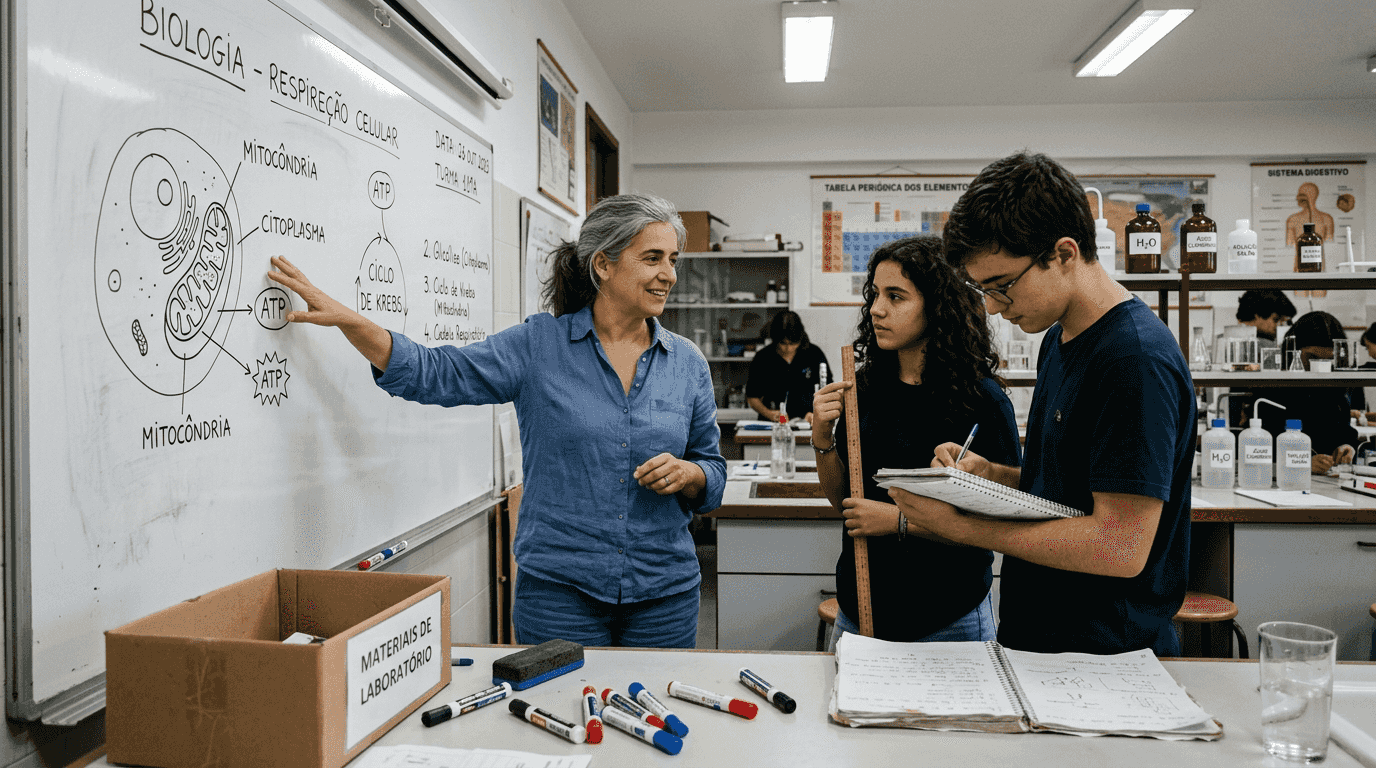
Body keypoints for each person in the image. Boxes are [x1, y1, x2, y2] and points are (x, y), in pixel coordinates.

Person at [266, 193, 725, 648]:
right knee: (561, 696)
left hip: (664, 595)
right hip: (560, 597)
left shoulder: (686, 364)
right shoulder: (538, 346)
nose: (669, 274)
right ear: (603, 264)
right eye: (652, 258)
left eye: (673, 260)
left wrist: (691, 474)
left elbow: (713, 471)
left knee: (658, 700)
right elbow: (436, 373)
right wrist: (351, 321)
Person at [892, 152, 1196, 657]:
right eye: (982, 290)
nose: (992, 307)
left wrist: (960, 527)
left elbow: (1119, 545)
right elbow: (1067, 488)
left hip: (1105, 653)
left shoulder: (1134, 359)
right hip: (1043, 637)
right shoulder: (1059, 337)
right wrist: (990, 475)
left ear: (1063, 253)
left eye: (1002, 287)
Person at [810, 235, 1021, 648]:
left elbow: (999, 526)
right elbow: (846, 504)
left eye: (896, 296)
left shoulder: (983, 400)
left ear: (938, 306)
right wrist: (821, 439)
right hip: (860, 612)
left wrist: (898, 522)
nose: (877, 309)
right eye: (875, 294)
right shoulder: (863, 388)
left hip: (949, 616)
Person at [1253, 311, 1358, 474]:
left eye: (1328, 360)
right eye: (1311, 358)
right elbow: (1257, 449)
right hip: (1283, 479)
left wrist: (1346, 447)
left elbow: (1343, 430)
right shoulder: (1271, 390)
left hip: (1326, 478)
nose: (1319, 366)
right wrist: (1302, 463)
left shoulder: (1334, 390)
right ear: (1292, 351)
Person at [746, 310, 831, 424]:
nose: (788, 348)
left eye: (793, 343)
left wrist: (817, 413)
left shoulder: (814, 354)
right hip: (773, 422)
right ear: (775, 339)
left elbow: (828, 389)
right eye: (783, 343)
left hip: (808, 421)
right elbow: (752, 396)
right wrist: (769, 413)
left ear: (800, 338)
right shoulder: (763, 357)